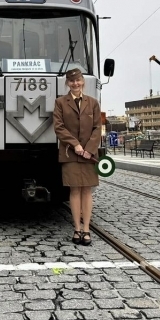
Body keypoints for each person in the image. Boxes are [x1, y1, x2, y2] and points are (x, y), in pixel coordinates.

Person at [53, 68, 102, 246]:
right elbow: (58, 127)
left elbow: (98, 128)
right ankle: (77, 228)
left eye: (78, 80)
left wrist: (89, 148)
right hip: (70, 153)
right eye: (72, 81)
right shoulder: (60, 102)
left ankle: (87, 229)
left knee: (87, 190)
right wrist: (76, 144)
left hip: (89, 154)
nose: (75, 84)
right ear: (67, 83)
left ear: (83, 82)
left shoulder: (93, 103)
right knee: (74, 190)